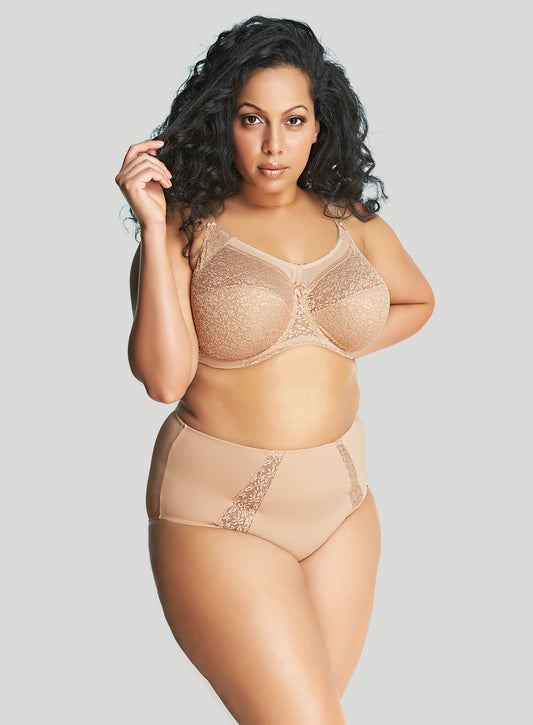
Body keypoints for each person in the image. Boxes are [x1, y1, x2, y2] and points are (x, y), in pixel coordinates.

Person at [115, 15, 434, 724]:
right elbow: (163, 380)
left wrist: (323, 340)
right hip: (221, 515)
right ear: (223, 123)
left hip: (343, 507)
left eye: (293, 120)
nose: (272, 145)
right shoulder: (186, 227)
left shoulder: (348, 218)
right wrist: (153, 226)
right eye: (251, 119)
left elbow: (417, 300)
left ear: (319, 126)